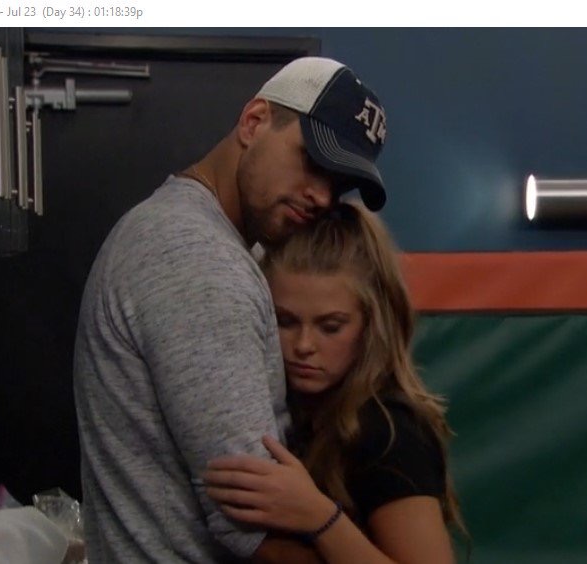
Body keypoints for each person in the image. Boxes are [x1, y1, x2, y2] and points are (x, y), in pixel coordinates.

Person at [73, 57, 389, 563]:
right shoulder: (198, 260)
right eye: (312, 161)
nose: (321, 196)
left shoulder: (199, 237)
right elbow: (255, 529)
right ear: (254, 121)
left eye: (338, 184)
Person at [202, 202, 468, 564]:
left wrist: (319, 517)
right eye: (285, 321)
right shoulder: (285, 410)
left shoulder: (387, 431)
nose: (303, 345)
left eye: (330, 327)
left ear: (371, 325)